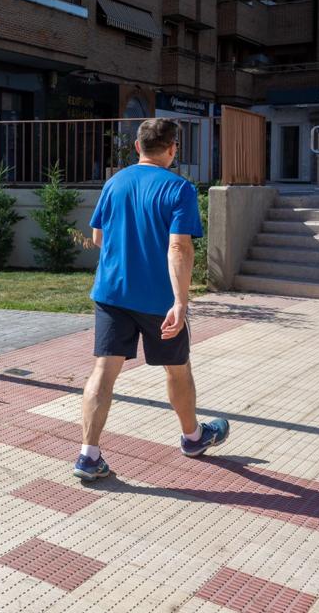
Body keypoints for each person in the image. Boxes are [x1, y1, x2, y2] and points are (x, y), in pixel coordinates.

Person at [74, 118, 229, 481]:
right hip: (159, 302)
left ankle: (88, 455)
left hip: (111, 294)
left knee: (104, 371)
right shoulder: (179, 189)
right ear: (173, 149)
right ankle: (193, 437)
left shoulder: (114, 182)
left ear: (137, 148)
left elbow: (98, 237)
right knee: (177, 370)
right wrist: (181, 301)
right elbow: (179, 246)